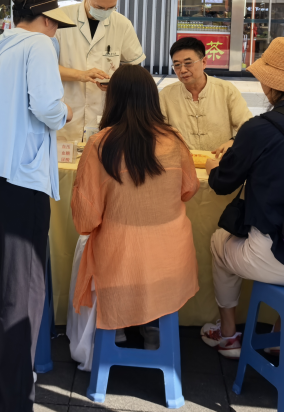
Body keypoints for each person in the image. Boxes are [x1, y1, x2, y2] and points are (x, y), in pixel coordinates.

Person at [0, 0, 75, 411]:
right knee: (24, 295)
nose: (56, 31)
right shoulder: (40, 46)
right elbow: (48, 107)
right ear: (45, 19)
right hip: (21, 179)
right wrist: (66, 112)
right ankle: (13, 400)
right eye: (56, 24)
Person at [69, 65, 199, 371]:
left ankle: (117, 326)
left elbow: (85, 220)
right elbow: (189, 189)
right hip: (172, 262)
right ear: (152, 98)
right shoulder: (175, 140)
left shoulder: (100, 144)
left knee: (88, 247)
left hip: (119, 263)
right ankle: (153, 327)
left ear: (113, 99)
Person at [198, 37, 284, 358]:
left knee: (219, 243)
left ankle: (228, 335)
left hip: (273, 256)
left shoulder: (258, 128)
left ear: (269, 84)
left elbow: (223, 184)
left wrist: (212, 166)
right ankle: (279, 333)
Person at [54, 0, 145, 142]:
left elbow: (133, 68)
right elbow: (44, 68)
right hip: (66, 113)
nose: (105, 12)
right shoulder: (60, 19)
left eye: (111, 7)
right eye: (99, 7)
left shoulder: (122, 24)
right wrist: (81, 75)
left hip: (105, 112)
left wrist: (116, 82)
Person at [159, 36, 252, 154]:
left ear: (203, 62)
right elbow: (158, 132)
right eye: (177, 65)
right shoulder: (166, 95)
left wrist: (233, 141)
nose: (182, 70)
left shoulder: (226, 90)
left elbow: (248, 127)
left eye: (188, 63)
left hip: (220, 160)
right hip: (181, 161)